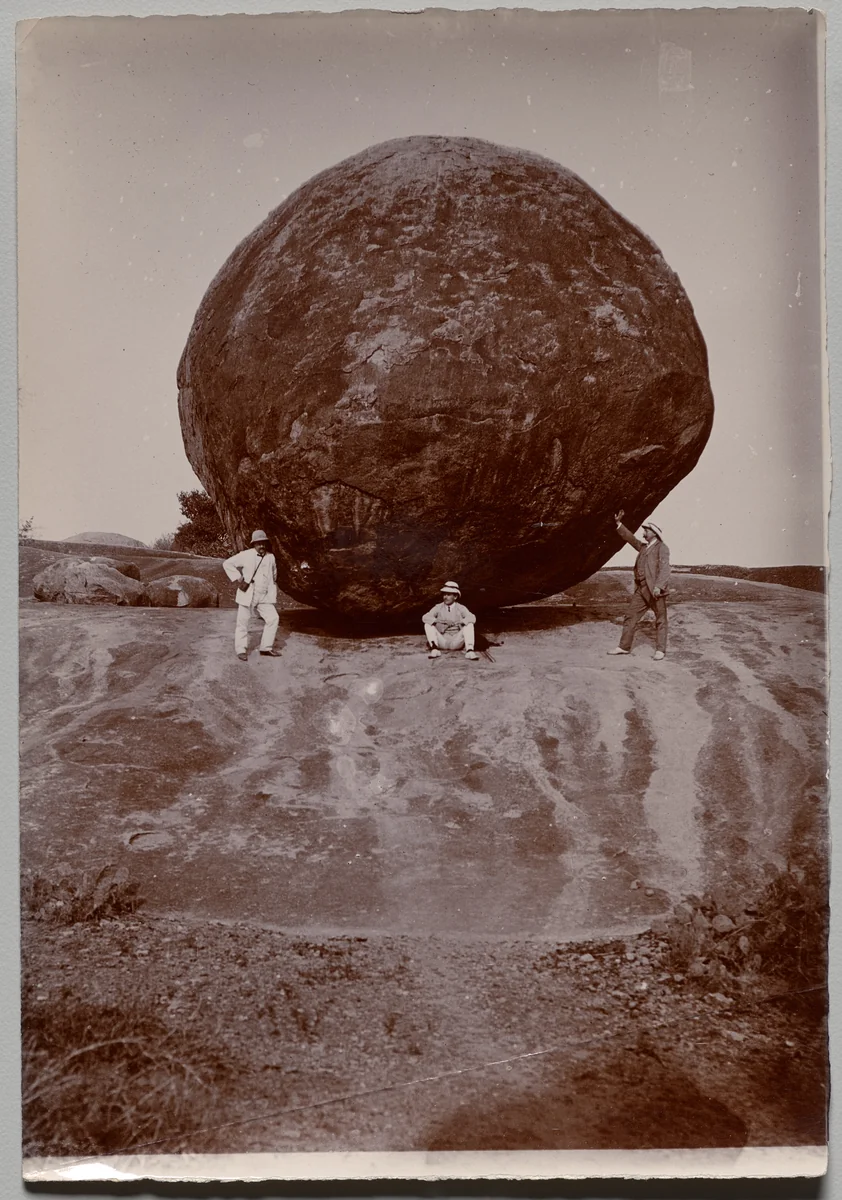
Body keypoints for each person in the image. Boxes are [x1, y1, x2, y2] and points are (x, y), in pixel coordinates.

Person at [607, 510, 671, 660]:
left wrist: (658, 586)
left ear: (654, 533)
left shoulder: (662, 548)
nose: (644, 531)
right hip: (641, 590)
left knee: (660, 618)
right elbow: (631, 539)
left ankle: (660, 650)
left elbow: (665, 569)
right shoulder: (644, 547)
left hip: (655, 590)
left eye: (646, 529)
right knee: (630, 616)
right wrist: (618, 524)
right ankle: (623, 647)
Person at [222, 530, 281, 661]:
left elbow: (274, 574)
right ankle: (241, 650)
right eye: (258, 543)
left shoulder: (271, 557)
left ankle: (266, 647)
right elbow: (227, 563)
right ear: (253, 544)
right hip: (248, 594)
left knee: (273, 618)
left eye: (263, 543)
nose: (261, 546)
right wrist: (238, 577)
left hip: (264, 595)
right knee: (242, 623)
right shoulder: (245, 555)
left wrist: (270, 586)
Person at [422, 582, 480, 661]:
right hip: (442, 641)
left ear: (455, 596)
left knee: (469, 625)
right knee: (427, 625)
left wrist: (461, 621)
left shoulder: (460, 608)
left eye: (448, 595)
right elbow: (425, 617)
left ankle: (469, 651)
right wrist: (442, 621)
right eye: (444, 595)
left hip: (456, 641)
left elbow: (472, 617)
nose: (445, 597)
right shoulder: (438, 607)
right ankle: (434, 649)